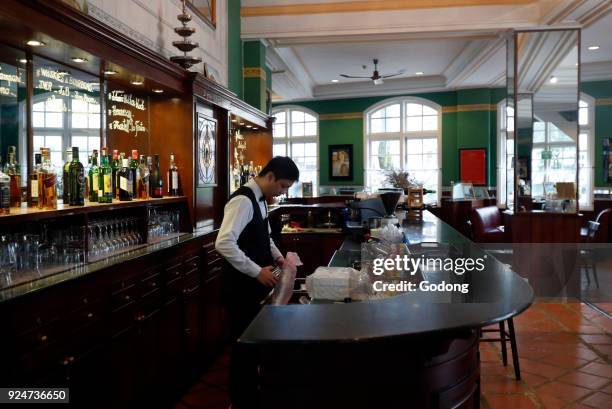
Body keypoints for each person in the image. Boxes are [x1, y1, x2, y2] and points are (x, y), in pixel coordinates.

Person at [215, 156, 299, 408]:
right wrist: (256, 271)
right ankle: (241, 400)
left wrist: (278, 257)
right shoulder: (242, 201)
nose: (283, 192)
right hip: (239, 287)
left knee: (254, 346)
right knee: (243, 347)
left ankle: (251, 395)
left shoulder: (261, 200)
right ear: (270, 176)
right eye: (283, 186)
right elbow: (223, 243)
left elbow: (265, 236)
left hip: (252, 287)